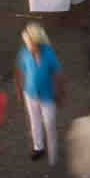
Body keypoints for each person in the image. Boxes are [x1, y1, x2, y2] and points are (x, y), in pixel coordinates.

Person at [16, 23, 64, 166]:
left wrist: (59, 92)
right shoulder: (25, 52)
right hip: (30, 94)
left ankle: (53, 151)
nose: (28, 44)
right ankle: (38, 147)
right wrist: (19, 89)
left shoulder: (48, 53)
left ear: (36, 42)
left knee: (49, 122)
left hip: (47, 96)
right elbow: (20, 70)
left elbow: (57, 73)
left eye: (30, 42)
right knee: (34, 121)